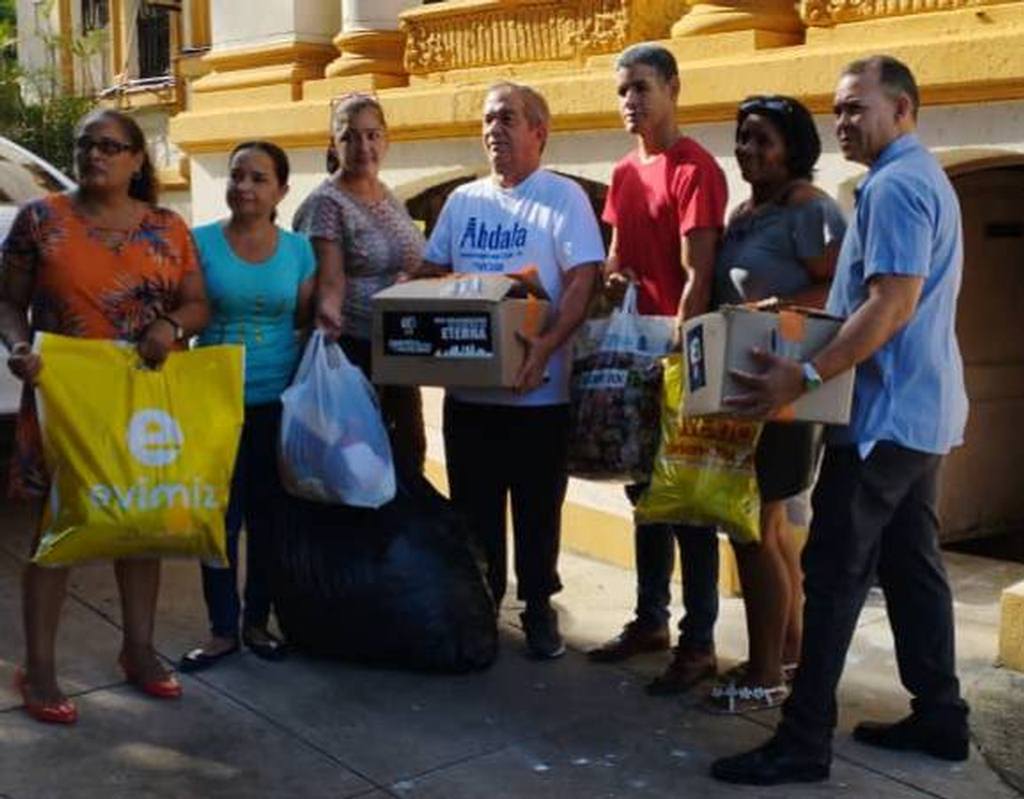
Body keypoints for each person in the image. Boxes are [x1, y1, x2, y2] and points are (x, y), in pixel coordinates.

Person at [711, 55, 970, 784]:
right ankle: (941, 714)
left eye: (859, 107)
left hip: (886, 416)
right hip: (921, 411)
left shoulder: (893, 188)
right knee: (912, 565)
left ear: (904, 110)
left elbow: (890, 304)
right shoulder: (920, 179)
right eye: (839, 109)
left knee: (831, 571)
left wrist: (809, 371)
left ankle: (802, 737)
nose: (844, 121)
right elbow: (870, 298)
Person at [0, 109, 210, 723]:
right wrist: (18, 346)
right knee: (58, 529)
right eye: (85, 144)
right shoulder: (42, 220)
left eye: (111, 146)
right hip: (66, 396)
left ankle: (139, 651)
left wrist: (170, 327)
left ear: (138, 159)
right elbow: (7, 302)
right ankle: (38, 669)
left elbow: (198, 304)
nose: (95, 155)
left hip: (143, 399)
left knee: (137, 522)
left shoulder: (169, 229)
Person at [408, 81, 605, 659]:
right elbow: (433, 270)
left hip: (539, 395)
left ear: (539, 132)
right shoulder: (464, 201)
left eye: (509, 119)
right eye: (489, 120)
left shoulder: (562, 198)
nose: (495, 130)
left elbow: (582, 281)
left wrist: (543, 349)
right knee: (475, 510)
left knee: (538, 511)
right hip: (470, 397)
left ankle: (539, 607)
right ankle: (484, 603)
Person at [587, 43, 728, 696]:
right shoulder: (622, 173)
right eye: (623, 91)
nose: (630, 102)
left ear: (673, 88)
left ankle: (699, 642)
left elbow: (699, 270)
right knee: (643, 493)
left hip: (677, 357)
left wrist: (676, 356)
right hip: (633, 354)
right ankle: (650, 619)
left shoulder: (694, 167)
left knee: (689, 503)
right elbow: (618, 255)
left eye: (642, 88)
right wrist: (610, 291)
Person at [706, 95, 845, 713]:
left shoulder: (809, 210)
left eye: (762, 139)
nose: (748, 150)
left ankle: (763, 673)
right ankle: (786, 649)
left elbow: (841, 288)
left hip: (785, 388)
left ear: (794, 147)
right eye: (742, 138)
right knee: (774, 526)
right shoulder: (745, 213)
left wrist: (777, 314)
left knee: (754, 527)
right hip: (743, 389)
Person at [179, 141, 316, 672]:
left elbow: (302, 318)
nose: (245, 188)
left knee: (268, 519)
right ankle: (220, 628)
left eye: (259, 178)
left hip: (274, 403)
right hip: (211, 401)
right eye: (237, 177)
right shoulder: (199, 244)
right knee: (217, 521)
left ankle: (257, 621)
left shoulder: (299, 250)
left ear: (281, 190)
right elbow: (186, 308)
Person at [293, 93, 427, 475]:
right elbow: (329, 281)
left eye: (372, 135)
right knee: (360, 463)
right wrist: (328, 317)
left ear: (386, 139)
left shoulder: (387, 196)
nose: (363, 146)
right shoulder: (326, 204)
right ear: (333, 144)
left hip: (399, 352)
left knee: (406, 456)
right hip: (351, 354)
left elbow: (414, 260)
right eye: (350, 137)